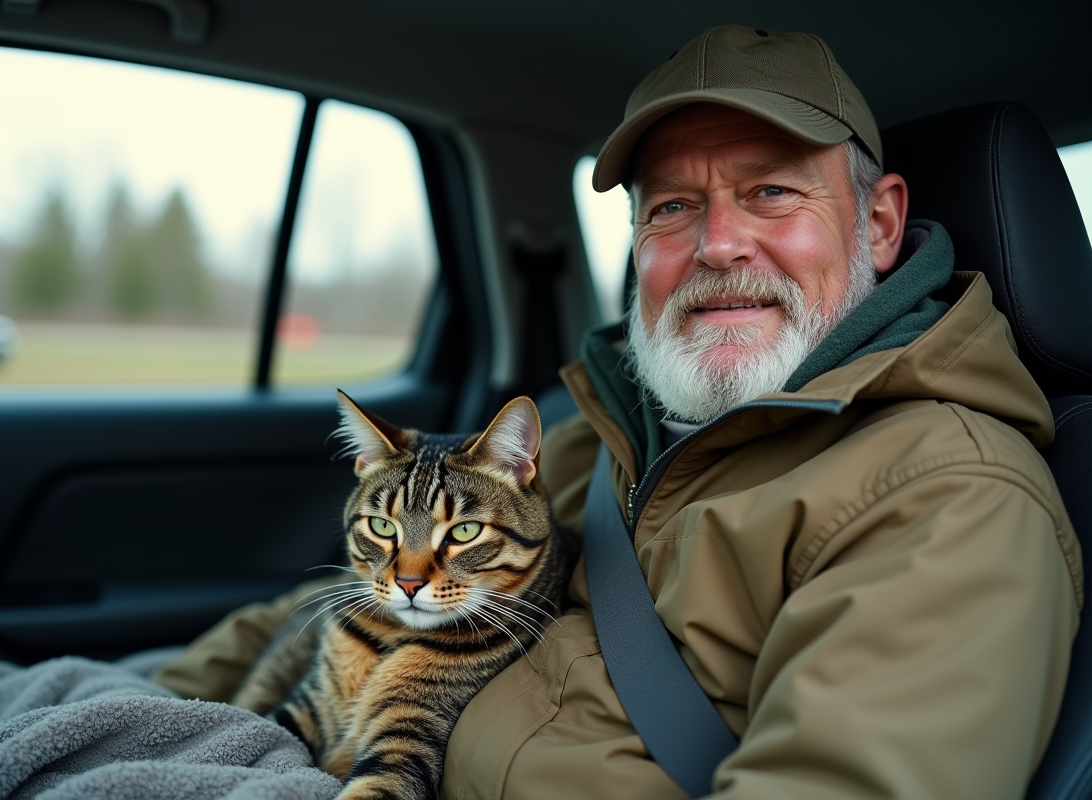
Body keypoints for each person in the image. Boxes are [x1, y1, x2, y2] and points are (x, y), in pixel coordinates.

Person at [154, 25, 1082, 799]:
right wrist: (162, 703)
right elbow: (325, 614)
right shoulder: (602, 430)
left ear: (878, 224)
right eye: (673, 206)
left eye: (771, 190)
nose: (719, 243)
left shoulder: (951, 497)